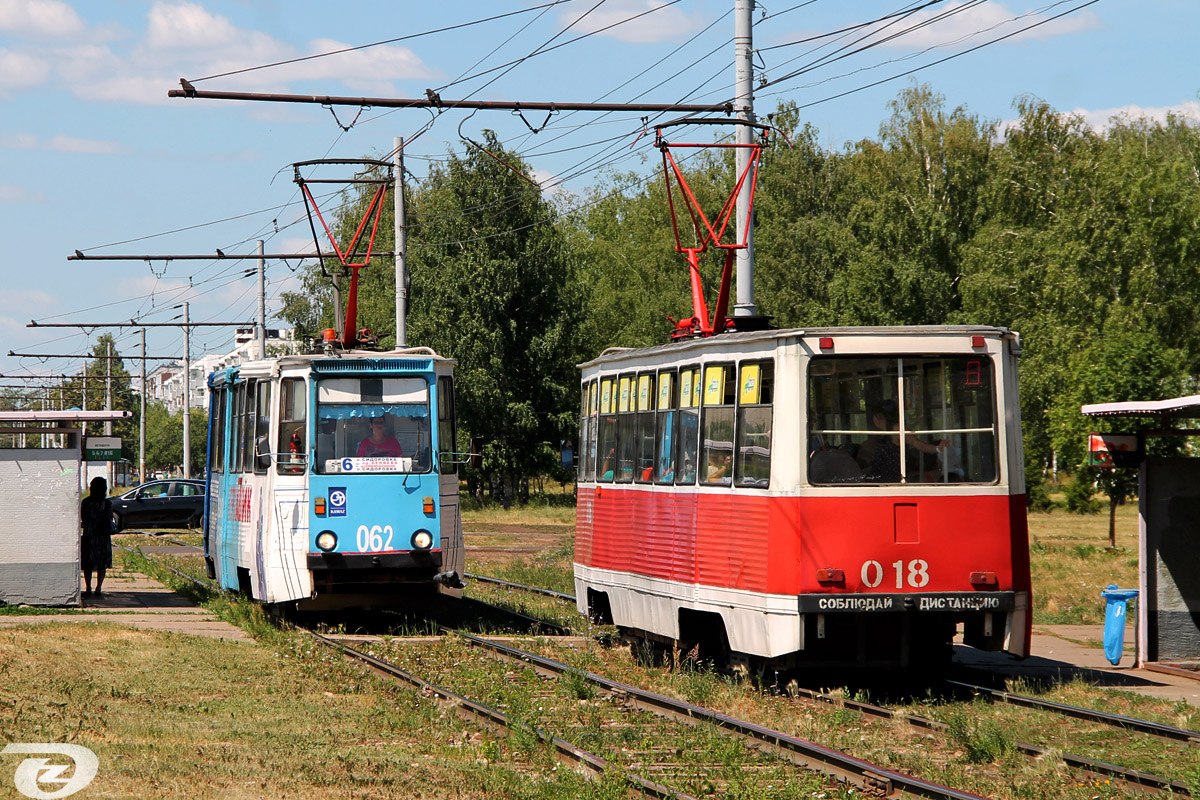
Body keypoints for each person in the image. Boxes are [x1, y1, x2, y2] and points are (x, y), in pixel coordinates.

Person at [863, 404, 945, 482]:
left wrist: (937, 448)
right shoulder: (881, 433)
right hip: (880, 477)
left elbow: (917, 443)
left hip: (895, 477)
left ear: (878, 417)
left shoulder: (897, 429)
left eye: (873, 417)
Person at [80, 476, 113, 599]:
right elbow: (110, 518)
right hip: (103, 536)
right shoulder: (107, 503)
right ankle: (98, 588)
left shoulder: (86, 502)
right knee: (102, 564)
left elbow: (83, 517)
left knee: (88, 564)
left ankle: (88, 588)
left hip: (89, 535)